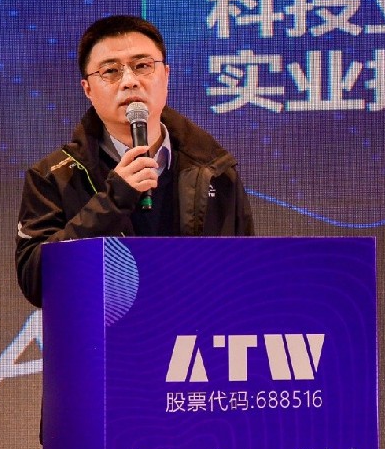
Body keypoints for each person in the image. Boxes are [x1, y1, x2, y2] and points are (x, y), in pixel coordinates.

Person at [16, 15, 255, 308]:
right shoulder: (53, 177)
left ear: (166, 75)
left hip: (198, 332)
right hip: (105, 333)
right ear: (88, 89)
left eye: (142, 66)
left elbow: (247, 273)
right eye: (111, 71)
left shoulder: (215, 169)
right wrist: (113, 200)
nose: (129, 82)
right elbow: (36, 281)